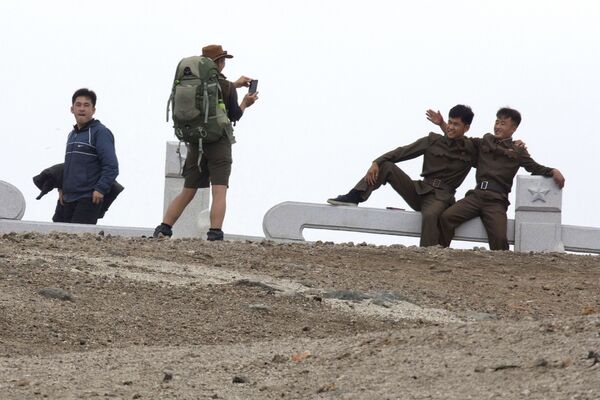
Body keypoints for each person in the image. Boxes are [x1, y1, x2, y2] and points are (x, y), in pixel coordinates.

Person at [327, 105, 477, 247]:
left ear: (467, 128)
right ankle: (355, 196)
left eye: (456, 124)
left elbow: (487, 155)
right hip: (419, 190)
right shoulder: (432, 141)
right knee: (387, 166)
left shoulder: (471, 149)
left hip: (441, 198)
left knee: (431, 215)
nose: (450, 127)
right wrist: (376, 162)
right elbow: (402, 152)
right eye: (449, 122)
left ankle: (428, 255)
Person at [154, 44, 258, 241]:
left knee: (188, 190)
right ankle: (215, 232)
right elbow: (235, 114)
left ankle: (164, 228)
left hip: (196, 141)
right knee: (219, 190)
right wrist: (246, 102)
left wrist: (235, 84)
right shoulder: (226, 87)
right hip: (219, 142)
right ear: (219, 62)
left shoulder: (194, 84)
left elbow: (215, 92)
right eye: (223, 60)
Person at [428, 107, 565, 250]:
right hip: (475, 196)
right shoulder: (483, 143)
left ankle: (501, 270)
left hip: (496, 201)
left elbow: (534, 167)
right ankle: (441, 253)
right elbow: (460, 140)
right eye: (497, 122)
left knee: (499, 239)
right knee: (447, 217)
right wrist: (442, 124)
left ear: (513, 128)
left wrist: (553, 171)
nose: (498, 126)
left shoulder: (518, 151)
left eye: (503, 124)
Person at [59, 88, 119, 224]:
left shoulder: (100, 132)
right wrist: (61, 187)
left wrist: (100, 189)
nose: (82, 108)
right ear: (71, 109)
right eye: (78, 105)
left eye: (86, 105)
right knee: (55, 238)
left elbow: (111, 166)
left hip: (88, 198)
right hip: (67, 199)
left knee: (77, 241)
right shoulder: (72, 134)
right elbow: (70, 166)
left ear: (93, 110)